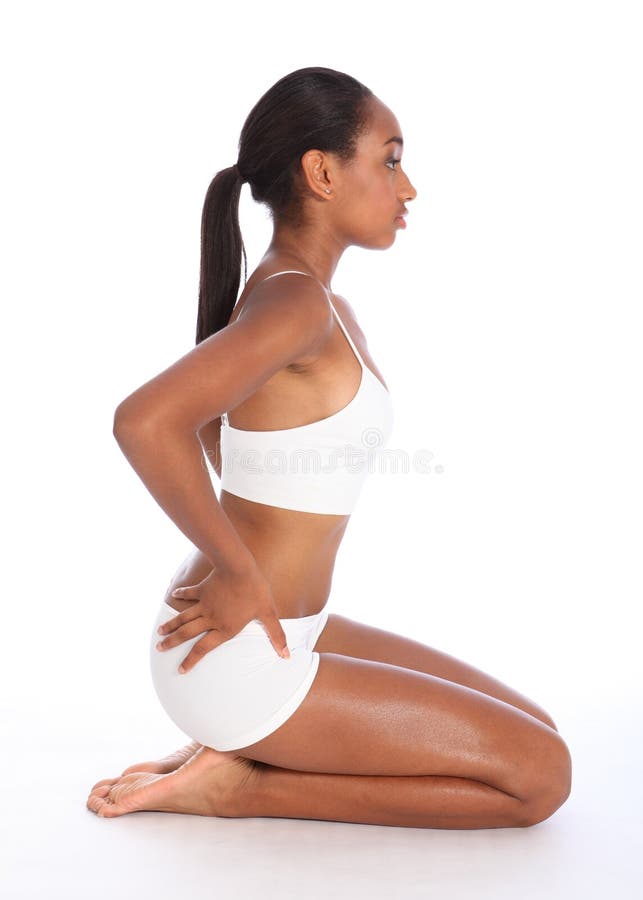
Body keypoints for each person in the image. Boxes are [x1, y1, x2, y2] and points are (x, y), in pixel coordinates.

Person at [86, 66, 571, 828]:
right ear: (320, 172)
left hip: (283, 630)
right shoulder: (293, 303)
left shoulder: (314, 303)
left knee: (535, 729)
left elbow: (230, 432)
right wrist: (242, 572)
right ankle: (240, 786)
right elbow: (145, 422)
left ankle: (238, 753)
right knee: (541, 779)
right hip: (240, 656)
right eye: (389, 158)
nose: (406, 187)